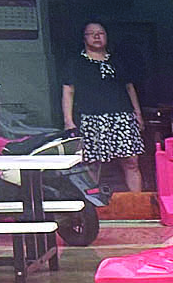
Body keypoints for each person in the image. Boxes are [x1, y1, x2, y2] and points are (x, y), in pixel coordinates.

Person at [60, 21, 145, 194]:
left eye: (101, 33)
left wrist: (137, 114)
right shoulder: (75, 62)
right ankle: (93, 206)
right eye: (92, 33)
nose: (97, 36)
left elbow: (129, 87)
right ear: (84, 38)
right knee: (92, 164)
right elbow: (68, 91)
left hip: (122, 117)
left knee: (131, 161)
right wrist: (68, 121)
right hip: (91, 118)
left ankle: (138, 203)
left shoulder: (118, 60)